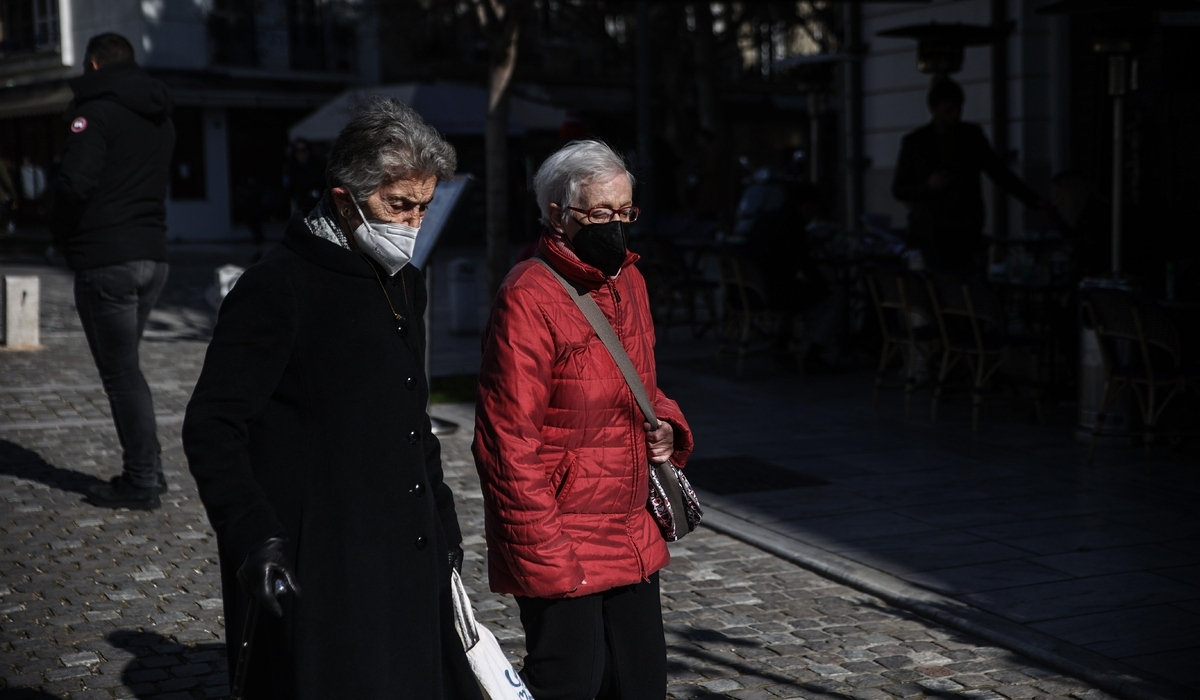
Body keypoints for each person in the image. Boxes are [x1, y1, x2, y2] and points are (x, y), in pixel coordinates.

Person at [182, 97, 480, 699]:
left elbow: (410, 414)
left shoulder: (406, 283)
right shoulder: (277, 287)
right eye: (399, 206)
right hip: (325, 558)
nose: (413, 224)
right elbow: (213, 423)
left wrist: (443, 526)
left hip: (408, 545)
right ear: (345, 199)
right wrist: (251, 531)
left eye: (424, 207)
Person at [473, 140, 695, 699]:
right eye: (600, 214)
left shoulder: (632, 283)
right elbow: (505, 440)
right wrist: (543, 552)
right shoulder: (529, 295)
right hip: (563, 530)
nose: (616, 226)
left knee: (642, 684)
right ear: (558, 214)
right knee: (570, 683)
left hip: (628, 524)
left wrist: (667, 427)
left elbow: (644, 388)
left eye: (625, 213)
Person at [49, 33, 175, 509]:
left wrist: (58, 232)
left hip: (107, 258)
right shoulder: (160, 117)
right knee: (129, 370)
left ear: (94, 65)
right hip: (153, 256)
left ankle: (141, 478)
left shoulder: (95, 114)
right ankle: (152, 470)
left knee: (121, 374)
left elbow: (74, 183)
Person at [892, 78, 1050, 272]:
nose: (955, 116)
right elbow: (899, 188)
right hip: (931, 233)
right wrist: (928, 187)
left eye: (958, 109)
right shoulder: (915, 142)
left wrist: (1033, 199)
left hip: (964, 230)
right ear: (934, 109)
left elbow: (998, 171)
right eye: (949, 110)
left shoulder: (970, 135)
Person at [282, 138, 325, 217]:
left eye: (304, 150)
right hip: (300, 204)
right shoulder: (291, 169)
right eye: (297, 151)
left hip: (318, 202)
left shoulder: (317, 165)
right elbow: (288, 189)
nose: (301, 153)